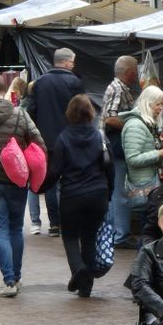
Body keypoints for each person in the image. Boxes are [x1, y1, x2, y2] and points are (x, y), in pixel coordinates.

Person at [0, 73, 46, 298]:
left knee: (0, 230)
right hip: (17, 180)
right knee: (15, 229)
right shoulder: (19, 114)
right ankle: (18, 275)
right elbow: (39, 143)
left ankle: (9, 280)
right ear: (4, 90)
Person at [43, 94, 113, 298]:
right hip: (98, 193)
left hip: (72, 195)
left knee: (70, 237)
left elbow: (55, 171)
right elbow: (111, 167)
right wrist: (109, 192)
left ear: (70, 113)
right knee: (89, 237)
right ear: (90, 112)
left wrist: (40, 187)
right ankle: (86, 287)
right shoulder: (100, 136)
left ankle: (79, 269)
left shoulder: (63, 138)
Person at [28, 47, 84, 237]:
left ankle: (54, 224)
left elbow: (31, 111)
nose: (73, 65)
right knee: (69, 180)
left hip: (46, 140)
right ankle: (68, 221)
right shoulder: (74, 82)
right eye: (73, 62)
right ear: (67, 62)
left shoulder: (40, 82)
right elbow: (81, 112)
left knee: (50, 181)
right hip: (70, 139)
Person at [101, 55, 139, 248]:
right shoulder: (118, 89)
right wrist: (134, 126)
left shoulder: (118, 87)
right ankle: (120, 235)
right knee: (119, 192)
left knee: (116, 191)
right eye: (136, 70)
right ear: (129, 72)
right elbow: (109, 118)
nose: (137, 74)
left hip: (112, 146)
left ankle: (117, 233)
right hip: (116, 146)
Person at [121, 85, 163, 220]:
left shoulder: (146, 124)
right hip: (143, 184)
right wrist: (160, 153)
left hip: (150, 182)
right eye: (158, 104)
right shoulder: (135, 125)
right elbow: (132, 159)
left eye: (162, 104)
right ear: (148, 103)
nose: (161, 108)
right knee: (148, 222)